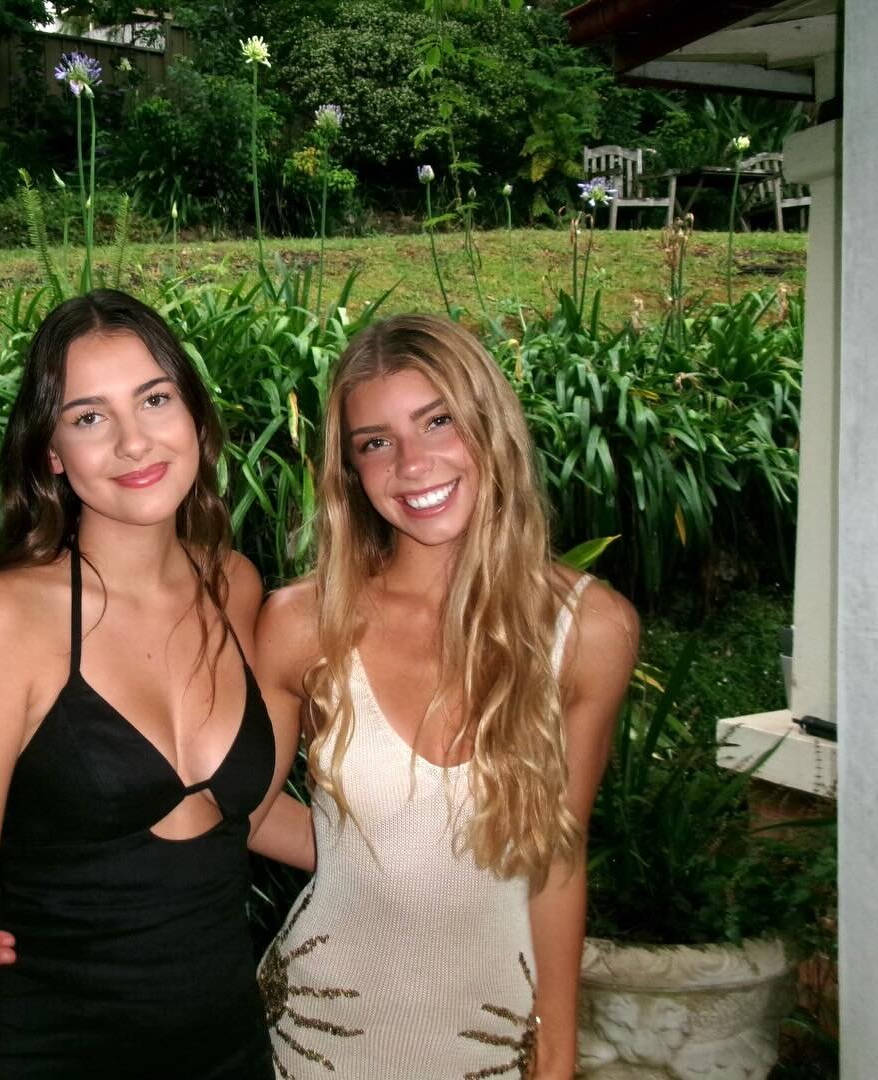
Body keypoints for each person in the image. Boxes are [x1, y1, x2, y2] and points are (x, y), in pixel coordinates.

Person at [0, 289, 298, 1080]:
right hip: (53, 1053)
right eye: (89, 417)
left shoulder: (235, 585)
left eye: (154, 399)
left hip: (230, 1050)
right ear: (51, 452)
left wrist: (433, 855)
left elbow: (246, 815)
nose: (133, 441)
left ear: (193, 414)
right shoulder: (5, 620)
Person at [252, 314, 638, 1080]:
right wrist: (369, 854)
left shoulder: (589, 630)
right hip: (322, 1033)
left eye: (438, 421)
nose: (411, 463)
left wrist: (556, 1053)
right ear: (351, 471)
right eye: (375, 442)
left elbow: (556, 859)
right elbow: (243, 812)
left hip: (490, 1040)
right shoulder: (304, 624)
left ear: (491, 424)